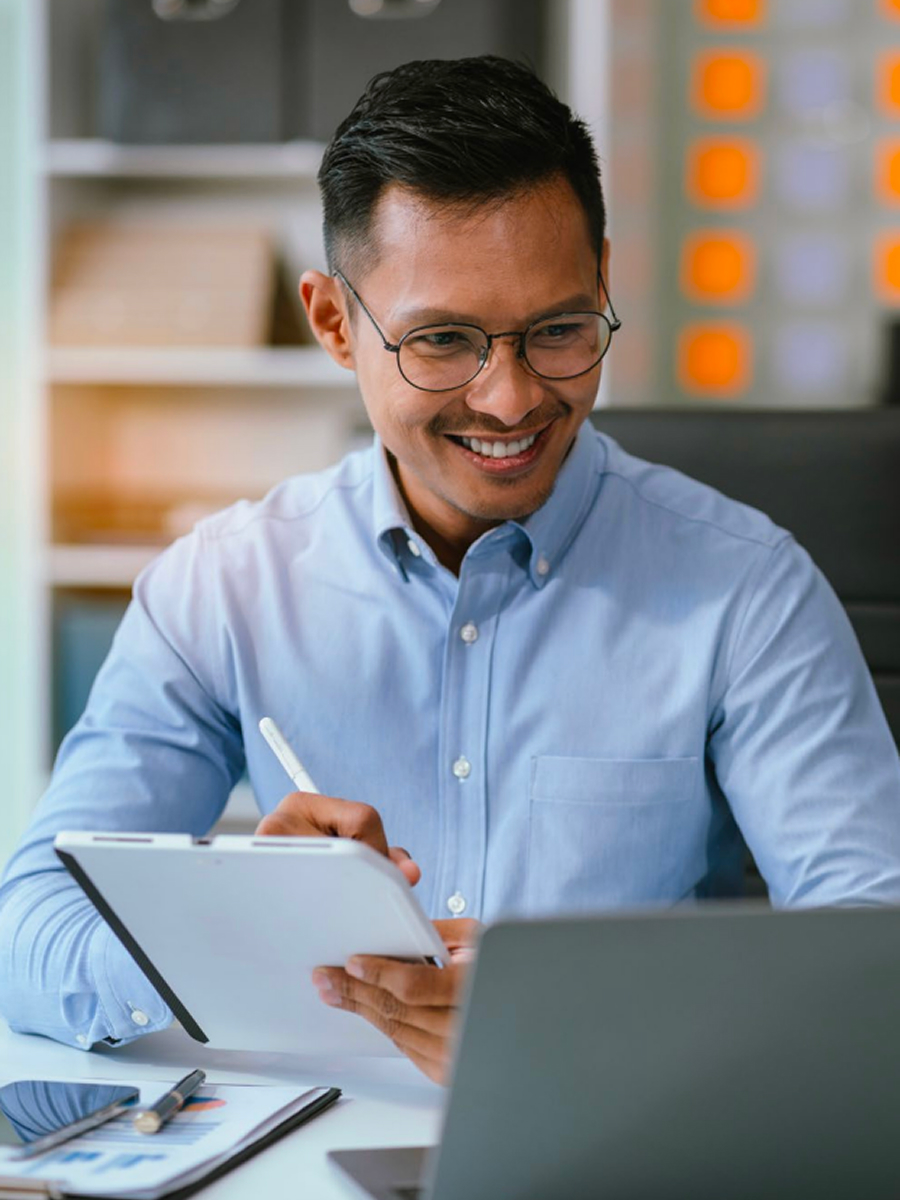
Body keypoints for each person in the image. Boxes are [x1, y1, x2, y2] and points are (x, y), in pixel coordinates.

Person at [2, 56, 900, 1086]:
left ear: (604, 284)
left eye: (559, 330)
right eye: (442, 341)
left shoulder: (749, 590)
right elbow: (27, 933)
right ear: (337, 325)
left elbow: (873, 955)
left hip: (632, 1139)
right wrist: (244, 929)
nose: (512, 399)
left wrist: (582, 1022)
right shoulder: (222, 589)